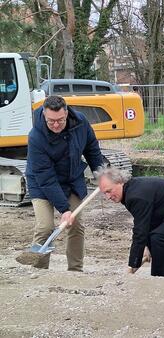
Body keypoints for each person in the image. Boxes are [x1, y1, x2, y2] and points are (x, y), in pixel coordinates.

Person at [25, 95, 104, 271]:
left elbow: (92, 148)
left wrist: (102, 174)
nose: (55, 125)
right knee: (45, 227)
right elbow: (46, 177)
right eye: (50, 121)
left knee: (75, 224)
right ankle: (39, 270)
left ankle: (75, 271)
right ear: (44, 115)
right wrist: (64, 209)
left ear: (67, 113)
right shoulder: (36, 137)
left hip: (71, 179)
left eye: (60, 120)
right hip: (41, 183)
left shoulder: (81, 123)